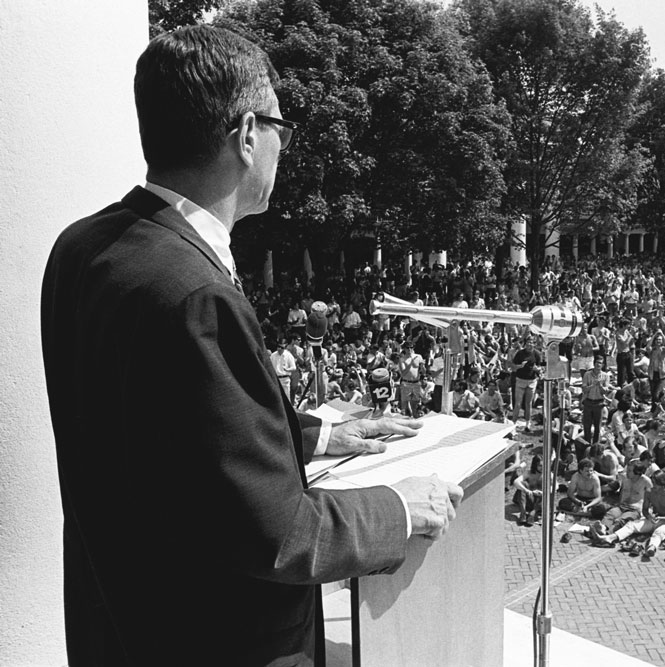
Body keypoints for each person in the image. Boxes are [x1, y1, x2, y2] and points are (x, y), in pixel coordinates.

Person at [39, 25, 462, 667]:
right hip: (215, 640)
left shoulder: (79, 249)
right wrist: (401, 508)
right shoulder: (195, 294)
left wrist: (312, 434)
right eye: (279, 130)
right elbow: (279, 535)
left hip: (115, 629)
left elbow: (169, 438)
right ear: (245, 135)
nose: (281, 150)